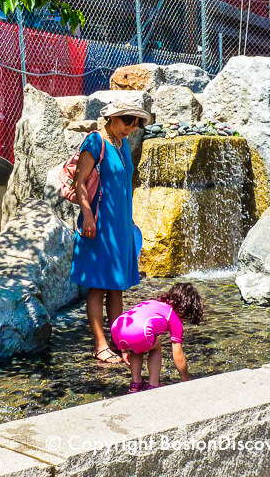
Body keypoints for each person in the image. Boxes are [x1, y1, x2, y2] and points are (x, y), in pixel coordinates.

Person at [70, 99, 154, 364]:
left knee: (116, 287)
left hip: (119, 226)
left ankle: (120, 342)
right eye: (126, 121)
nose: (131, 127)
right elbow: (79, 181)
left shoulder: (122, 144)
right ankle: (99, 345)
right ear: (111, 118)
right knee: (97, 287)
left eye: (135, 123)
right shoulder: (96, 142)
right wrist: (86, 216)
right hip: (98, 223)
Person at [111, 282, 204, 393]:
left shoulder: (152, 303)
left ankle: (136, 384)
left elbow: (133, 322)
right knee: (156, 346)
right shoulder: (173, 317)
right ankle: (153, 385)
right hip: (140, 332)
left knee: (137, 348)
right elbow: (178, 354)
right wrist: (185, 379)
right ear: (185, 310)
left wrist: (124, 349)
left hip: (117, 327)